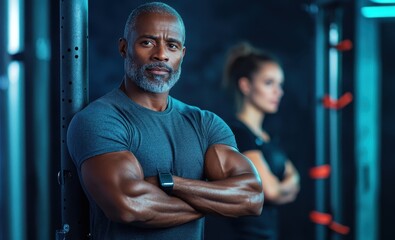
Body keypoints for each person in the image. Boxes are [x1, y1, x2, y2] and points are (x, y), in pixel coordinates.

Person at [66, 3, 263, 240]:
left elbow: (251, 198)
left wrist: (170, 183)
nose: (161, 55)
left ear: (182, 54)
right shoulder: (99, 120)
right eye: (147, 42)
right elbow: (130, 206)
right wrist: (215, 202)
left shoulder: (205, 123)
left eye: (172, 46)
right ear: (123, 47)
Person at [222, 42, 300, 240]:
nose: (278, 91)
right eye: (269, 83)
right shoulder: (239, 133)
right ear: (246, 85)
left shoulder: (266, 137)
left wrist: (283, 187)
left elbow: (295, 179)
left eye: (279, 84)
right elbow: (272, 191)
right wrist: (283, 188)